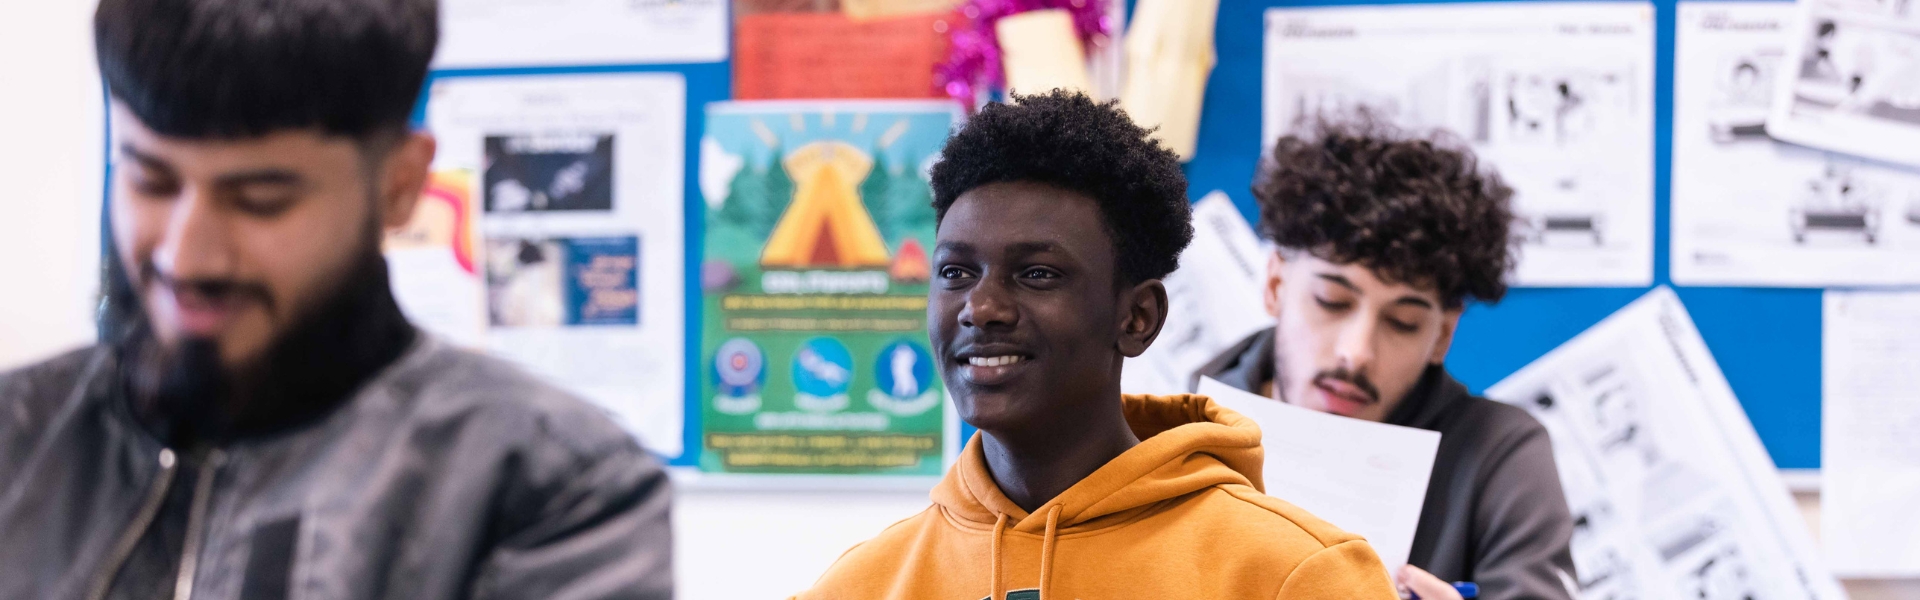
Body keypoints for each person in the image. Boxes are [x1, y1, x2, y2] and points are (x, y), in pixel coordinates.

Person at [0, 0, 673, 598]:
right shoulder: (16, 435)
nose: (188, 256)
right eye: (151, 183)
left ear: (400, 185)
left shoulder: (550, 490)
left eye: (261, 201)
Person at [795, 91, 1400, 599]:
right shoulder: (861, 586)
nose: (981, 308)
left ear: (1137, 318)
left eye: (1037, 274)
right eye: (956, 273)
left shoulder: (1297, 576)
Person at [1196, 119, 1578, 600]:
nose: (1356, 352)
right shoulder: (1172, 429)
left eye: (1402, 322)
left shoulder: (1499, 453)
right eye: (1332, 301)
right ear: (1276, 286)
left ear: (1442, 335)